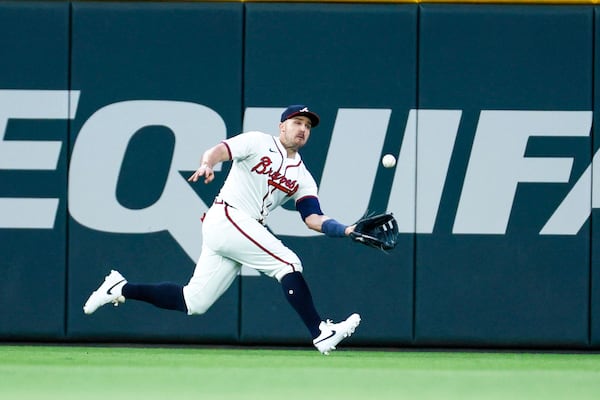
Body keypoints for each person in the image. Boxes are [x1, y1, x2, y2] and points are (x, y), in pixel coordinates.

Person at [83, 105, 361, 355]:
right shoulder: (257, 141)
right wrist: (207, 163)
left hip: (237, 228)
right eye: (298, 122)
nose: (303, 129)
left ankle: (120, 287)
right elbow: (219, 151)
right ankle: (320, 332)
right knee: (288, 263)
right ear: (282, 126)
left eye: (308, 126)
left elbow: (312, 217)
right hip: (229, 215)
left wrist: (345, 230)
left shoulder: (303, 177)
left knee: (194, 301)